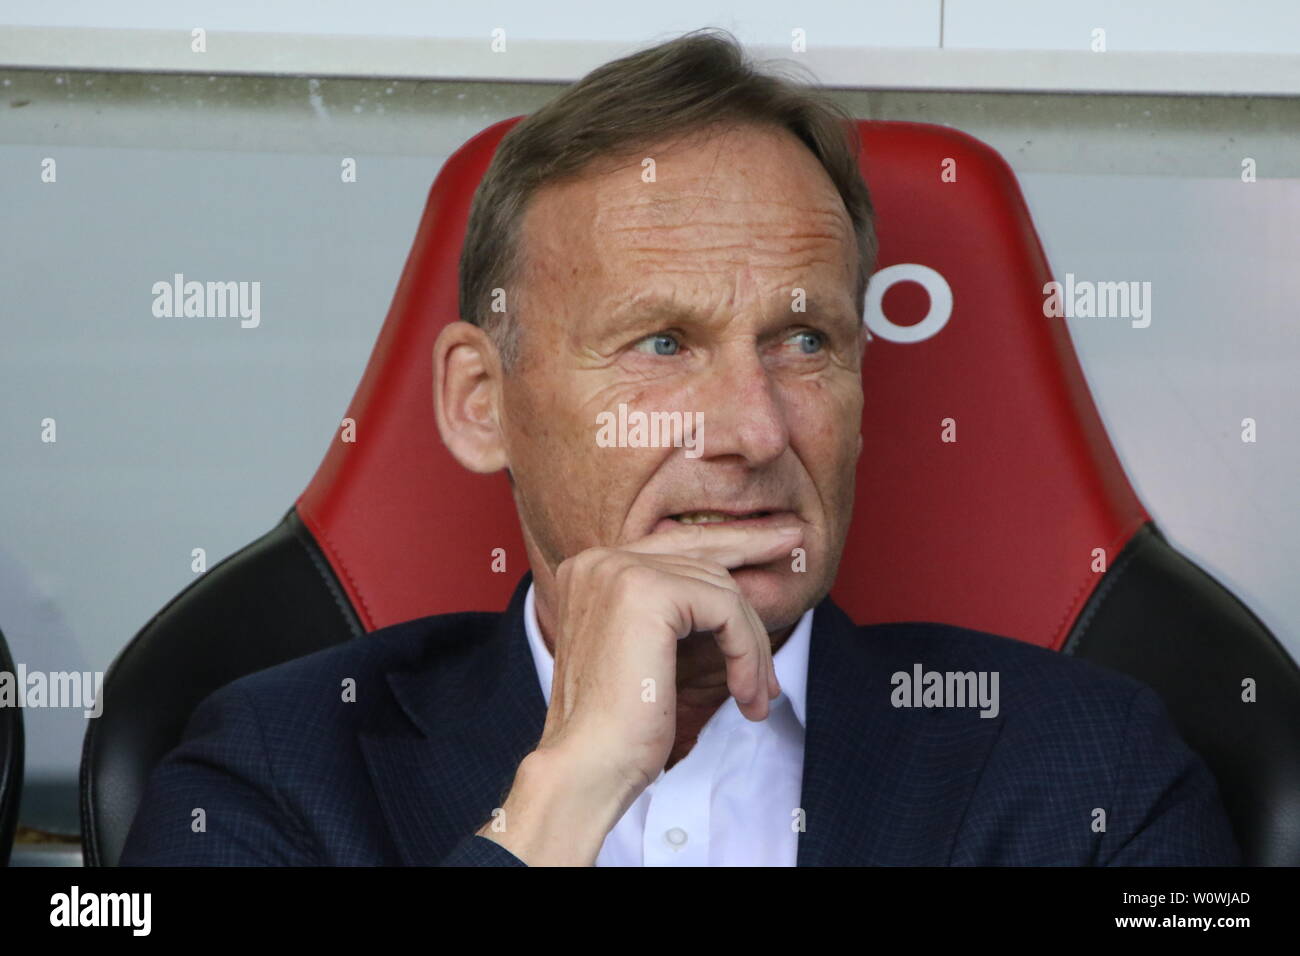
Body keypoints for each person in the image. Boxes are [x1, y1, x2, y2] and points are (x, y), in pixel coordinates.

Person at [120, 29, 1239, 866]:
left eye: (804, 339)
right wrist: (563, 792)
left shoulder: (1093, 773)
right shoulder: (273, 768)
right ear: (480, 402)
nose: (752, 430)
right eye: (660, 342)